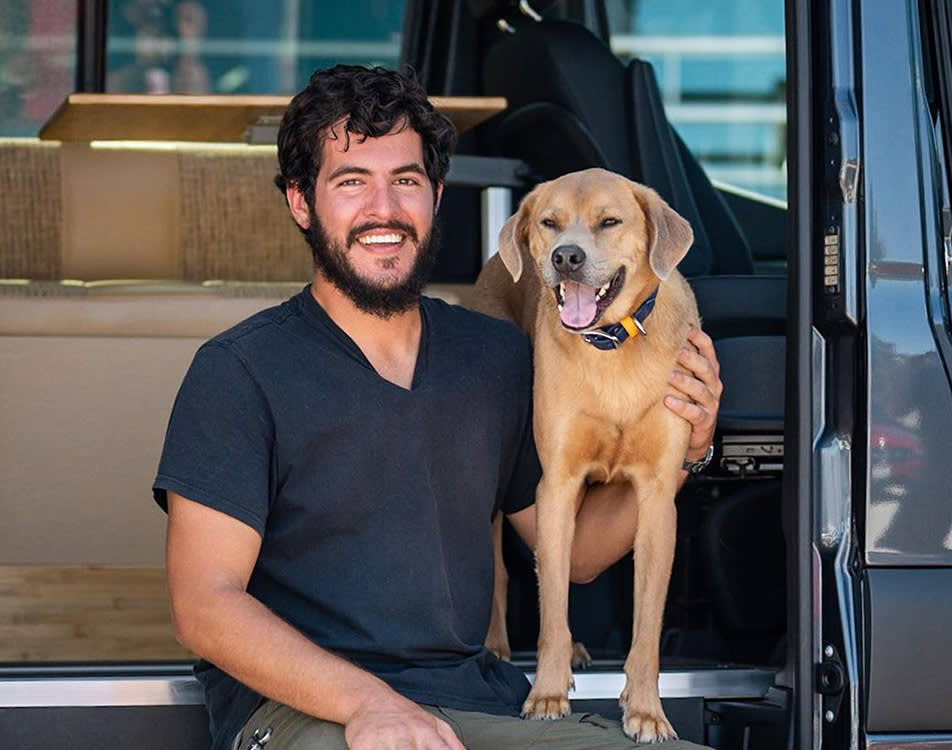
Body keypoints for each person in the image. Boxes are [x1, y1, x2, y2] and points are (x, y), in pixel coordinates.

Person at [153, 64, 722, 750]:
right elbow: (205, 608)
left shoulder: (496, 358)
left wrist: (689, 442)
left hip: (472, 705)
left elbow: (577, 554)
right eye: (351, 182)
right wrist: (369, 703)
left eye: (407, 181)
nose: (384, 208)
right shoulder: (240, 371)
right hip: (303, 713)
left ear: (436, 197)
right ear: (301, 203)